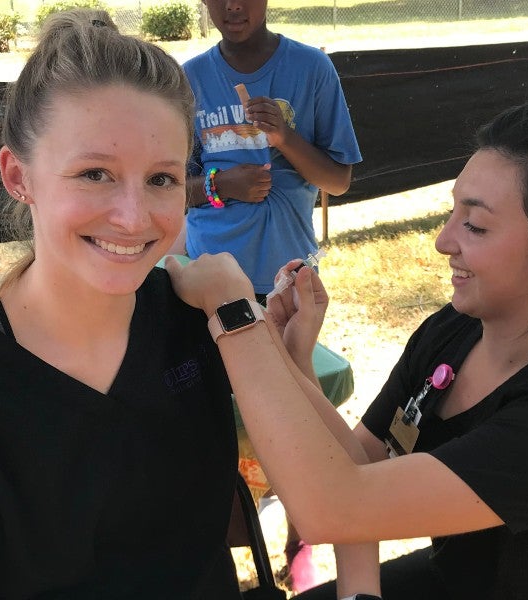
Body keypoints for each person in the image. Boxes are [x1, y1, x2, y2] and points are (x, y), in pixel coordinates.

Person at [167, 98, 528, 599]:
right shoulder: (455, 331)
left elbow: (333, 509)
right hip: (462, 581)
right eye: (453, 211)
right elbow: (359, 466)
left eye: (476, 225)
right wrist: (293, 360)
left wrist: (235, 317)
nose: (443, 241)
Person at [0, 10, 245, 598]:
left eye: (162, 179)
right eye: (95, 173)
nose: (133, 216)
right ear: (18, 176)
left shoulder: (196, 328)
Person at [175, 0, 362, 589]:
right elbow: (168, 185)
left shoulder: (310, 70)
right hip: (207, 279)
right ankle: (220, 551)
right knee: (210, 425)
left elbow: (337, 179)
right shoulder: (190, 79)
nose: (233, 7)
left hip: (282, 278)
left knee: (295, 418)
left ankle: (298, 542)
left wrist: (284, 138)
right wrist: (217, 184)